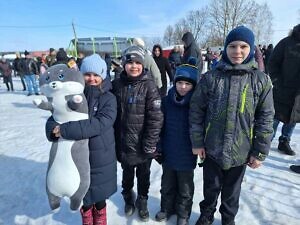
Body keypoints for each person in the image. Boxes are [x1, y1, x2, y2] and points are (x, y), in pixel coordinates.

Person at [190, 26, 274, 225]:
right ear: (225, 49)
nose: (238, 51)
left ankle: (228, 219)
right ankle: (206, 215)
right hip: (212, 149)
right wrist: (197, 141)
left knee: (231, 193)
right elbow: (196, 110)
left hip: (240, 152)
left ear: (251, 49)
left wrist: (259, 151)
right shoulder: (211, 78)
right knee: (210, 189)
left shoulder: (260, 81)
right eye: (233, 46)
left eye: (243, 46)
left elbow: (266, 117)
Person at [47, 54, 117, 225]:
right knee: (82, 193)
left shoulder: (109, 98)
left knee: (99, 195)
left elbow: (99, 124)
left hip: (101, 156)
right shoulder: (72, 96)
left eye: (96, 75)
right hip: (76, 156)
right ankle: (86, 216)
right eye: (87, 74)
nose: (92, 78)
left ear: (103, 75)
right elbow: (56, 115)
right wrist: (51, 129)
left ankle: (100, 217)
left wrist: (64, 130)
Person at [112, 46, 163, 222]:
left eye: (138, 63)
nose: (134, 66)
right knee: (126, 174)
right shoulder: (117, 85)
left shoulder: (149, 86)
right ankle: (128, 197)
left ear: (143, 64)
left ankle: (142, 200)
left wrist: (150, 144)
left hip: (143, 145)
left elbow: (156, 118)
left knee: (143, 175)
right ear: (124, 64)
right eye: (130, 62)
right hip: (124, 143)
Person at [155, 60, 198, 225]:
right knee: (167, 185)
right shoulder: (166, 101)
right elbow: (159, 126)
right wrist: (158, 147)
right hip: (169, 151)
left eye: (188, 83)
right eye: (180, 82)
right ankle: (166, 208)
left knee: (185, 188)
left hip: (187, 154)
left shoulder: (197, 103)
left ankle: (183, 213)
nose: (183, 87)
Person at [268, 24, 300, 156]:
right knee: (275, 117)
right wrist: (276, 81)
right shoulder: (286, 43)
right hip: (282, 89)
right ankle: (265, 141)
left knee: (293, 117)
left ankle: (284, 141)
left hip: (298, 93)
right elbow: (273, 62)